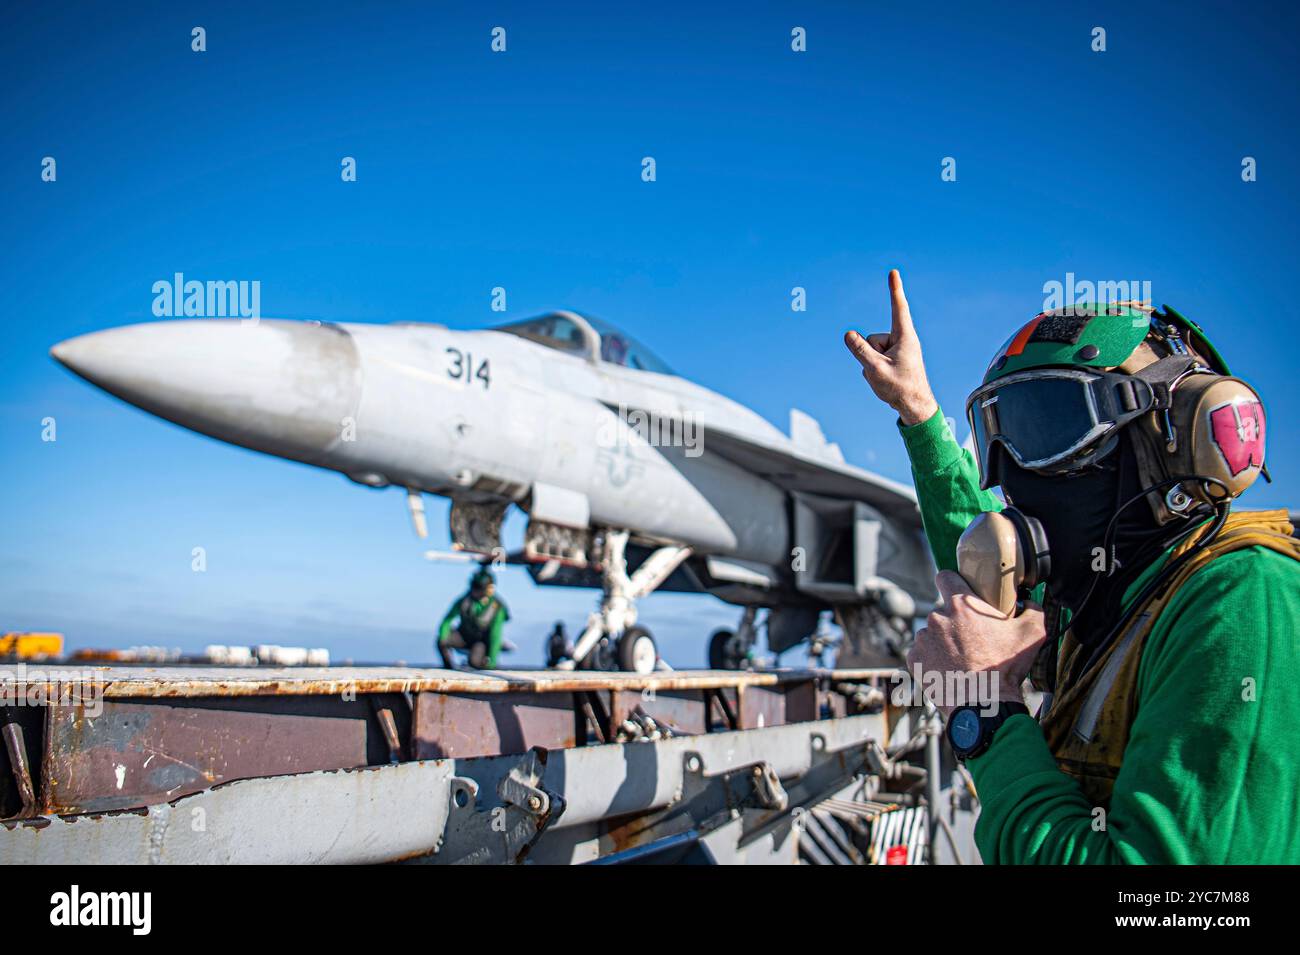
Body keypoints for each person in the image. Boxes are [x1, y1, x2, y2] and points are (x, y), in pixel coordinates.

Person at [845, 269, 1300, 863]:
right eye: (996, 434)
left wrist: (983, 710)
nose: (1009, 471)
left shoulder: (1241, 600)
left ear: (1174, 435)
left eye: (1049, 426)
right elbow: (979, 562)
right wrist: (920, 415)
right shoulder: (1113, 600)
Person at [437, 569, 510, 670]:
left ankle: (483, 665)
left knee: (474, 661)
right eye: (474, 587)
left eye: (478, 588)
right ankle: (449, 669)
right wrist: (442, 637)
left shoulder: (497, 607)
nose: (474, 591)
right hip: (464, 636)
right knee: (442, 641)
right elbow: (447, 620)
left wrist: (492, 661)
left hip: (480, 641)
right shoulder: (464, 601)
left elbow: (495, 634)